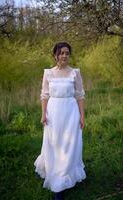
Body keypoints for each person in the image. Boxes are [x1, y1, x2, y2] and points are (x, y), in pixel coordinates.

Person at [34, 42, 86, 200]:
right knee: (54, 143)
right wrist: (43, 113)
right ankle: (52, 171)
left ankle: (63, 180)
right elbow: (44, 95)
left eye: (67, 53)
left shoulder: (75, 73)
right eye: (61, 53)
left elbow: (80, 95)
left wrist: (82, 115)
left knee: (69, 144)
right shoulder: (48, 73)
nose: (64, 56)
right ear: (55, 55)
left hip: (71, 112)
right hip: (53, 112)